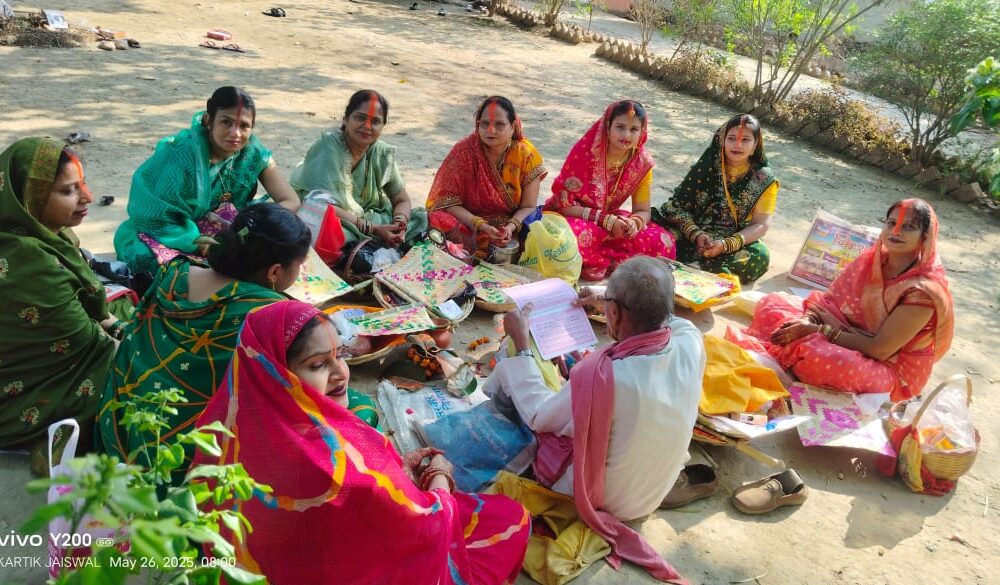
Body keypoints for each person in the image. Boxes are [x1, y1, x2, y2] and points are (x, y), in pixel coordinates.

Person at [193, 300, 530, 585]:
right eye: (318, 364)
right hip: (331, 568)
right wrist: (438, 477)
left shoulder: (221, 427)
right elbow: (427, 522)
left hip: (256, 564)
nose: (341, 373)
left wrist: (396, 470)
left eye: (340, 355)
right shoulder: (335, 465)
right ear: (277, 373)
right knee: (512, 519)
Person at [485, 256, 704, 581]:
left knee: (516, 366)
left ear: (614, 313)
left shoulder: (603, 377)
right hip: (652, 493)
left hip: (601, 501)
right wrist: (605, 297)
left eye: (610, 307)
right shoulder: (691, 340)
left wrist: (521, 345)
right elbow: (668, 317)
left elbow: (538, 416)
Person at [98, 203, 311, 471]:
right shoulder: (268, 314)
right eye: (300, 266)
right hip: (187, 462)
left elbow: (138, 333)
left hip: (124, 430)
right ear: (275, 272)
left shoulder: (174, 271)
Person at [727, 198, 954, 403]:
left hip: (888, 367)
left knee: (825, 361)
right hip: (841, 332)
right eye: (891, 223)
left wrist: (817, 330)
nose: (896, 231)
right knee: (773, 303)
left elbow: (880, 350)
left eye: (908, 227)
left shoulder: (923, 292)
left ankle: (802, 357)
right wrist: (808, 319)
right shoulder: (871, 260)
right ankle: (801, 355)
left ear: (926, 236)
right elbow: (828, 303)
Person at [0, 138, 132, 459]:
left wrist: (112, 322)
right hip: (20, 392)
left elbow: (96, 314)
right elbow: (90, 345)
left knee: (128, 310)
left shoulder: (41, 234)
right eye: (69, 190)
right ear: (31, 197)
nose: (87, 197)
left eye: (83, 184)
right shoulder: (32, 267)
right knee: (138, 379)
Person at [114, 86, 300, 274]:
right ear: (208, 121)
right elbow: (155, 216)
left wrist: (253, 227)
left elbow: (291, 201)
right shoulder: (180, 157)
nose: (235, 133)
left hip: (230, 231)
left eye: (244, 126)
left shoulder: (252, 153)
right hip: (173, 233)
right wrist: (210, 245)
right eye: (226, 122)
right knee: (158, 264)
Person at [544, 100, 676, 281]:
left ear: (642, 132)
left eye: (634, 129)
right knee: (567, 238)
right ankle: (615, 260)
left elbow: (642, 211)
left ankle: (605, 259)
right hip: (577, 217)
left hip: (613, 221)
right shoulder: (586, 153)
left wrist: (634, 223)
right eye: (620, 127)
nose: (626, 135)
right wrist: (604, 220)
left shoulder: (642, 163)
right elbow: (563, 205)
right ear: (608, 127)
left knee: (663, 240)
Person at [290, 89, 428, 261]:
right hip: (332, 217)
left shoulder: (380, 153)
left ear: (382, 126)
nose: (367, 127)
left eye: (375, 122)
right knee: (331, 237)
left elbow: (402, 200)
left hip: (369, 218)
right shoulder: (328, 147)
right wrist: (373, 228)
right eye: (360, 118)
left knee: (421, 219)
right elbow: (322, 205)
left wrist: (400, 226)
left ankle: (375, 245)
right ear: (345, 119)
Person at [652, 113, 777, 283]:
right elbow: (676, 206)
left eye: (745, 140)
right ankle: (700, 266)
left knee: (759, 256)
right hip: (691, 231)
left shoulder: (763, 179)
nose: (737, 145)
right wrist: (696, 233)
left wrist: (727, 244)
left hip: (731, 238)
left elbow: (761, 224)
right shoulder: (707, 166)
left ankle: (698, 266)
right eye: (731, 138)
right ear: (722, 140)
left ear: (756, 145)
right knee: (656, 237)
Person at [427, 95, 547, 258]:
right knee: (435, 219)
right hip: (470, 224)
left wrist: (510, 227)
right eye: (484, 124)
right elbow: (447, 202)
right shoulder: (463, 152)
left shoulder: (526, 155)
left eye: (499, 124)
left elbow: (528, 206)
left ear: (512, 127)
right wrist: (481, 225)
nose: (490, 130)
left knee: (543, 235)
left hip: (511, 226)